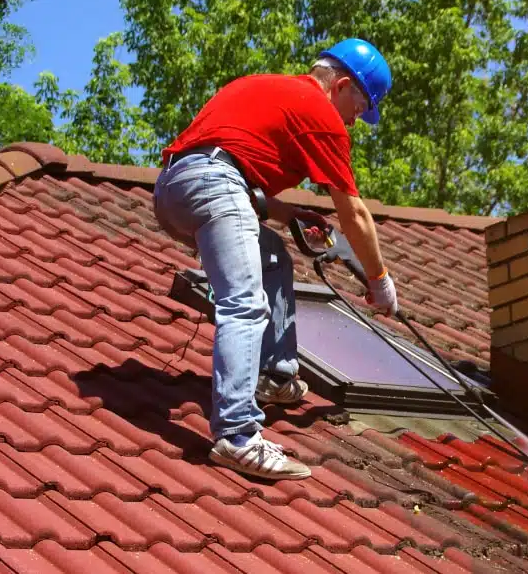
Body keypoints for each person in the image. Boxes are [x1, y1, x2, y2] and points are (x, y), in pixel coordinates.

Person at [152, 38, 400, 481]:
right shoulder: (322, 113)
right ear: (342, 85)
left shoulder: (266, 86)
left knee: (271, 257)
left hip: (172, 189)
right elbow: (354, 212)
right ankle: (237, 436)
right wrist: (378, 279)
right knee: (244, 303)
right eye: (359, 108)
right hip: (215, 184)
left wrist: (289, 213)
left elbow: (220, 168)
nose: (354, 122)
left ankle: (276, 375)